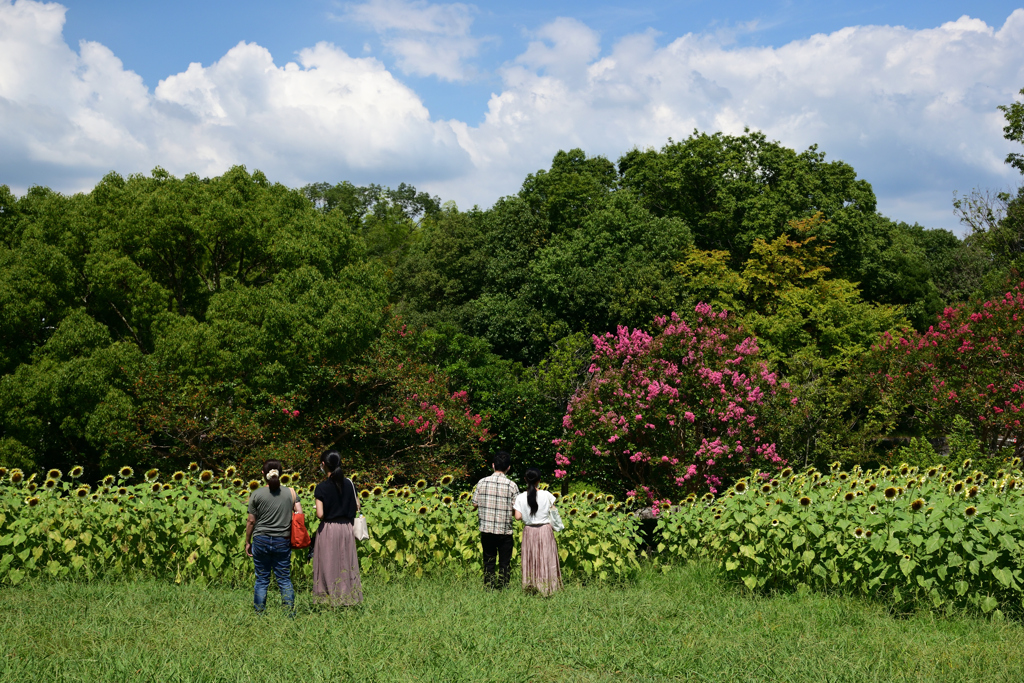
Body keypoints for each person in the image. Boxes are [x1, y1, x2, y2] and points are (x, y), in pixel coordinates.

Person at [245, 459, 302, 613]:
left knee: (262, 580)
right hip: (282, 540)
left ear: (263, 474)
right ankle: (289, 613)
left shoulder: (256, 494)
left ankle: (259, 614)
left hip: (260, 539)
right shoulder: (290, 492)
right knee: (284, 579)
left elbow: (251, 521)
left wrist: (247, 542)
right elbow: (300, 513)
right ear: (281, 474)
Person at [312, 450, 363, 606]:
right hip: (347, 528)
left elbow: (320, 514)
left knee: (327, 563)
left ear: (323, 465)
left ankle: (328, 599)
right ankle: (348, 598)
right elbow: (357, 505)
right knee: (346, 562)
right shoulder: (349, 483)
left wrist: (317, 508)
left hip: (329, 529)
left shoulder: (322, 487)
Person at [472, 450, 519, 589]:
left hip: (486, 529)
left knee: (489, 560)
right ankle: (503, 587)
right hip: (504, 530)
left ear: (493, 465)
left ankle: (489, 586)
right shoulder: (512, 485)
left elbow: (474, 503)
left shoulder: (482, 482)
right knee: (505, 562)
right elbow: (517, 508)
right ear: (508, 468)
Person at [513, 469, 563, 595]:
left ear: (525, 479)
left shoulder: (520, 497)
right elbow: (553, 508)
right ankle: (548, 588)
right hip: (545, 530)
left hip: (529, 531)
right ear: (539, 480)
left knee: (531, 558)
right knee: (546, 558)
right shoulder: (547, 495)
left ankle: (531, 588)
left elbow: (518, 517)